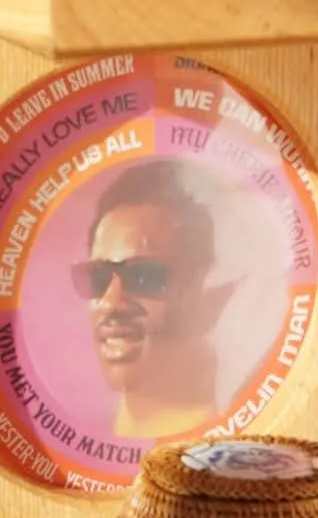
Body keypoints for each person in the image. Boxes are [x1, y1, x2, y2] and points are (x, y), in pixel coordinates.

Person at [72, 158, 230, 439]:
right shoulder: (85, 443)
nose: (110, 303)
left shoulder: (250, 436)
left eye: (143, 276)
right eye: (98, 277)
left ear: (207, 299)